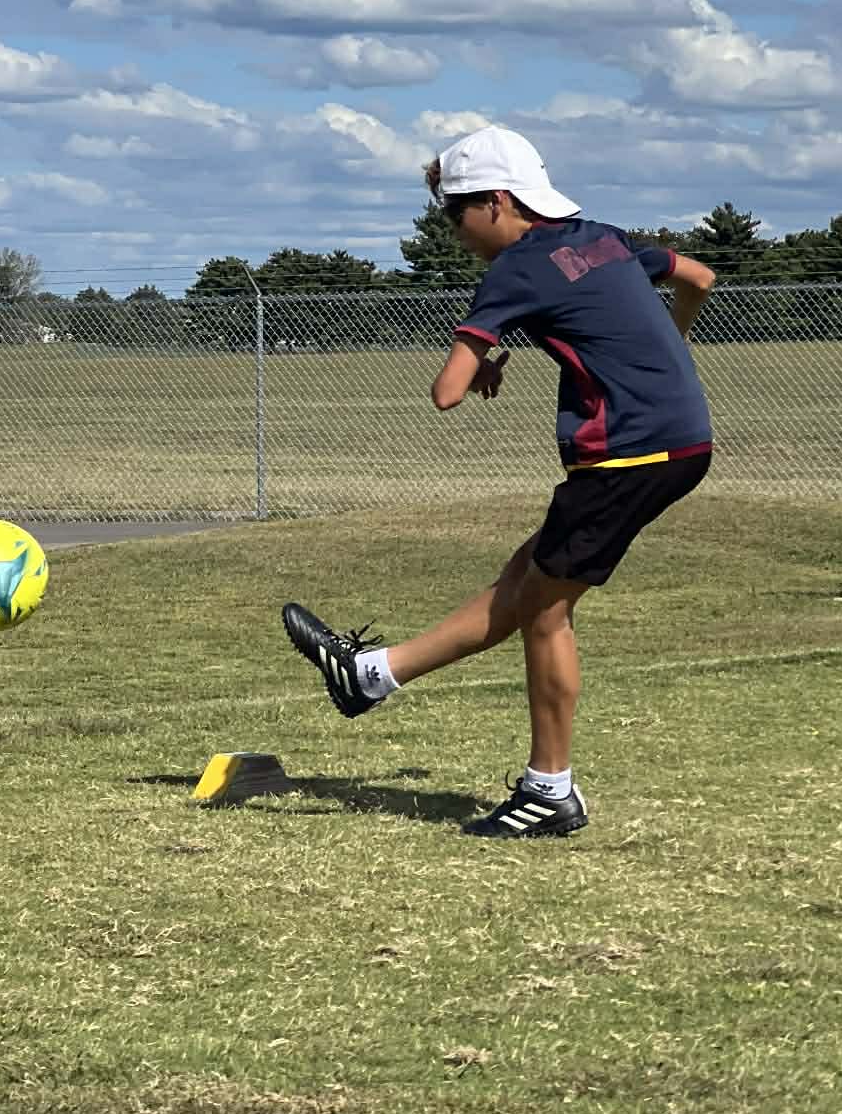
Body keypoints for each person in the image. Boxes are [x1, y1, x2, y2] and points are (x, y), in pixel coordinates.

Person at [281, 123, 715, 840]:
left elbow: (446, 392)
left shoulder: (518, 268)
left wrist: (481, 360)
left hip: (627, 454)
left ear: (496, 202)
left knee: (546, 613)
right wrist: (669, 348)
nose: (454, 232)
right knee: (526, 578)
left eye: (455, 214)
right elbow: (697, 277)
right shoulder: (603, 237)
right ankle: (368, 677)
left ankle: (550, 791)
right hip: (680, 438)